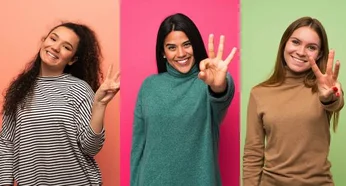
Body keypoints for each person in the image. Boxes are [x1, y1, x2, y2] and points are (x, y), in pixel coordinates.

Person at [0, 22, 120, 186]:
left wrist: (99, 105)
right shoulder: (20, 89)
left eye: (66, 47)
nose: (55, 47)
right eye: (53, 39)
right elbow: (7, 143)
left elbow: (91, 148)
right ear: (44, 41)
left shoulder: (79, 89)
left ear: (72, 60)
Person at [129, 13, 237, 186]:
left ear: (195, 44)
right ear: (163, 52)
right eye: (172, 47)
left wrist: (218, 85)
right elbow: (138, 147)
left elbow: (221, 97)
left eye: (187, 44)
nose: (181, 53)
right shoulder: (149, 86)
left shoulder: (208, 81)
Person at [242, 16, 344, 186]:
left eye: (311, 47)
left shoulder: (324, 88)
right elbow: (253, 153)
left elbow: (336, 103)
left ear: (319, 55)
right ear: (284, 44)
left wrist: (330, 97)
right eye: (296, 42)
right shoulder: (259, 93)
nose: (301, 52)